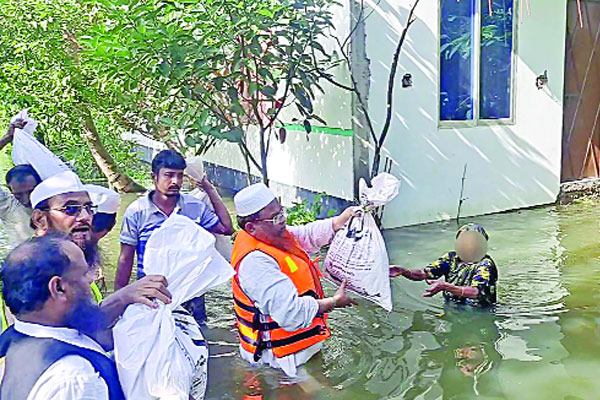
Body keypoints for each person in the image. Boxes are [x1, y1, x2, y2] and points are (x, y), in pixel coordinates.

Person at [231, 182, 357, 379]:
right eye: (276, 217)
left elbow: (304, 235)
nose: (283, 221)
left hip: (299, 349)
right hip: (280, 362)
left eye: (281, 212)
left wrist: (338, 222)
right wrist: (334, 302)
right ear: (251, 226)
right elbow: (291, 315)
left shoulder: (270, 234)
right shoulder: (255, 262)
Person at [28, 170, 172, 332]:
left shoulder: (73, 263)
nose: (85, 217)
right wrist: (122, 296)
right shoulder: (30, 269)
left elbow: (88, 327)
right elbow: (64, 335)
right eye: (70, 209)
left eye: (89, 208)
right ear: (40, 219)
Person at [0, 235, 125, 400]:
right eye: (84, 274)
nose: (91, 280)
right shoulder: (74, 377)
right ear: (58, 288)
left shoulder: (10, 340)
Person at [116, 149, 234, 323]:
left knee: (196, 340)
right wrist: (120, 301)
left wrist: (208, 188)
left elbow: (226, 228)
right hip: (150, 289)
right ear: (154, 177)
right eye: (169, 175)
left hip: (190, 290)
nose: (175, 181)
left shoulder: (194, 207)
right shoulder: (137, 211)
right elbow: (126, 258)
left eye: (180, 176)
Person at [389, 223, 498, 308]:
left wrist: (446, 286)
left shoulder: (485, 264)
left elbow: (476, 292)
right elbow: (424, 274)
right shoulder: (451, 258)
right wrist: (404, 271)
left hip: (478, 311)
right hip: (452, 306)